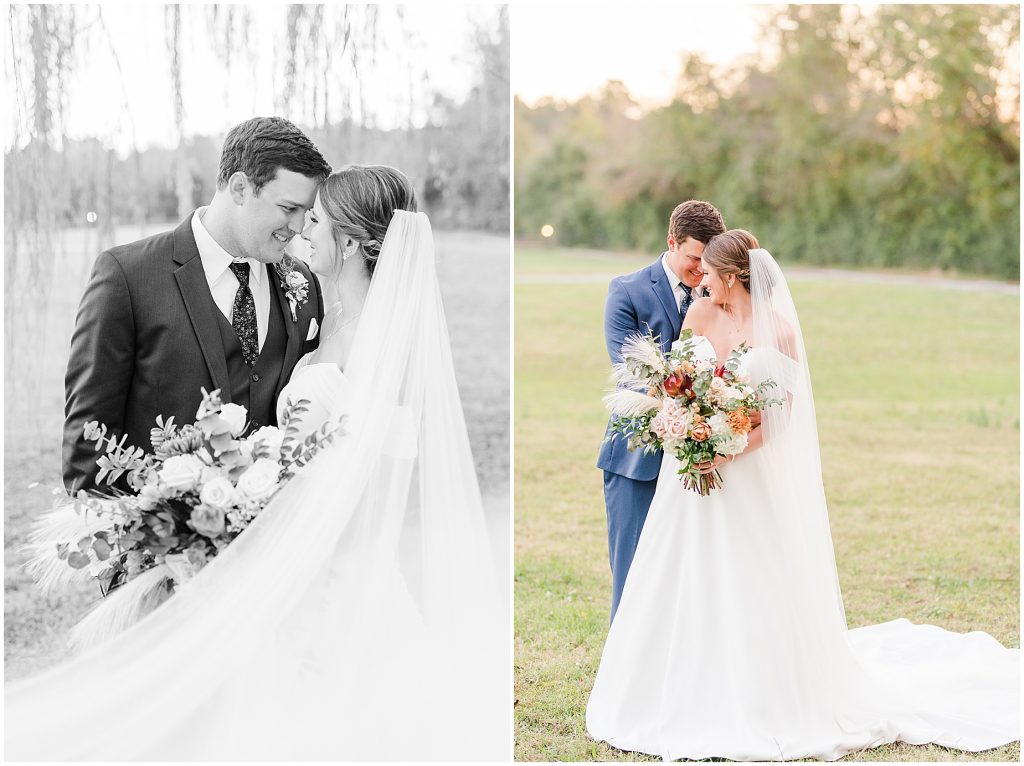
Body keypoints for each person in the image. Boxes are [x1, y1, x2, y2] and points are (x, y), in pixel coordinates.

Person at [7, 166, 509, 760]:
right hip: (288, 558)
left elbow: (379, 472)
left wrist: (258, 507)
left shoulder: (377, 339)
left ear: (348, 242)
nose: (300, 231)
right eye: (295, 212)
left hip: (329, 572)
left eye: (313, 219)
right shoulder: (331, 316)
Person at [586, 229, 1019, 760]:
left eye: (711, 275)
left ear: (732, 276)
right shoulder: (698, 317)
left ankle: (757, 692)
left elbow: (781, 414)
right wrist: (685, 425)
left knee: (751, 576)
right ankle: (671, 681)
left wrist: (728, 447)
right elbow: (680, 382)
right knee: (680, 569)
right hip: (688, 474)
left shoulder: (781, 332)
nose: (702, 282)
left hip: (746, 473)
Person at [62, 116, 329, 493]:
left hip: (275, 540)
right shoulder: (127, 276)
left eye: (307, 212)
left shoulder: (303, 284)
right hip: (162, 541)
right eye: (289, 208)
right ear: (240, 188)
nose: (299, 227)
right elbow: (89, 438)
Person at [596, 200, 725, 620]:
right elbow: (630, 369)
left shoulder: (721, 293)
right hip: (638, 456)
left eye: (708, 261)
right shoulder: (627, 290)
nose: (701, 270)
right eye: (693, 258)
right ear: (671, 241)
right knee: (633, 572)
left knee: (696, 574)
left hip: (703, 455)